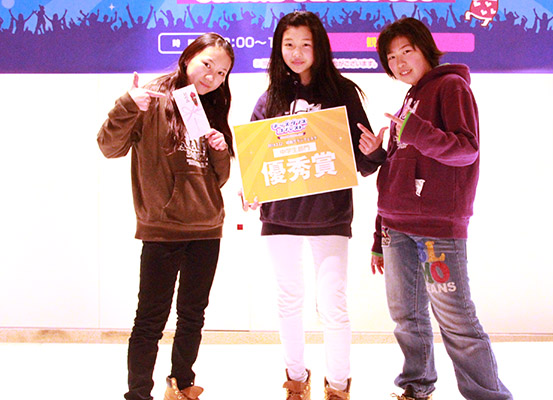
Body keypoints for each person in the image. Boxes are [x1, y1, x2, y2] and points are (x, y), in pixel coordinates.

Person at [357, 18, 513, 400]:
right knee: (406, 318)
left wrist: (412, 131)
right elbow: (398, 171)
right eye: (391, 57)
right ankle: (416, 387)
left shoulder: (451, 86)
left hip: (437, 230)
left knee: (456, 320)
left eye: (406, 51)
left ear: (426, 49)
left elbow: (465, 150)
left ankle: (489, 395)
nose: (399, 62)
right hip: (396, 229)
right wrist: (378, 157)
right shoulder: (410, 98)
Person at [245, 10, 384, 400]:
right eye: (288, 44)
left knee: (333, 305)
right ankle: (295, 381)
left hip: (329, 216)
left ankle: (338, 387)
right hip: (280, 218)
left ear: (319, 47)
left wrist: (374, 152)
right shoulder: (270, 97)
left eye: (305, 44)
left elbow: (362, 162)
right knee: (288, 301)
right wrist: (250, 187)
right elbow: (256, 159)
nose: (297, 52)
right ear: (278, 49)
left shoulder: (342, 93)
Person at [97, 33, 235, 400]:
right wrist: (128, 105)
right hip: (163, 229)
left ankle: (182, 385)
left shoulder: (212, 104)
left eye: (222, 73)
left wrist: (220, 150)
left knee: (193, 315)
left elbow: (218, 178)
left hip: (207, 228)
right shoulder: (153, 97)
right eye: (207, 64)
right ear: (188, 57)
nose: (212, 77)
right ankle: (139, 393)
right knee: (150, 319)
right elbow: (109, 147)